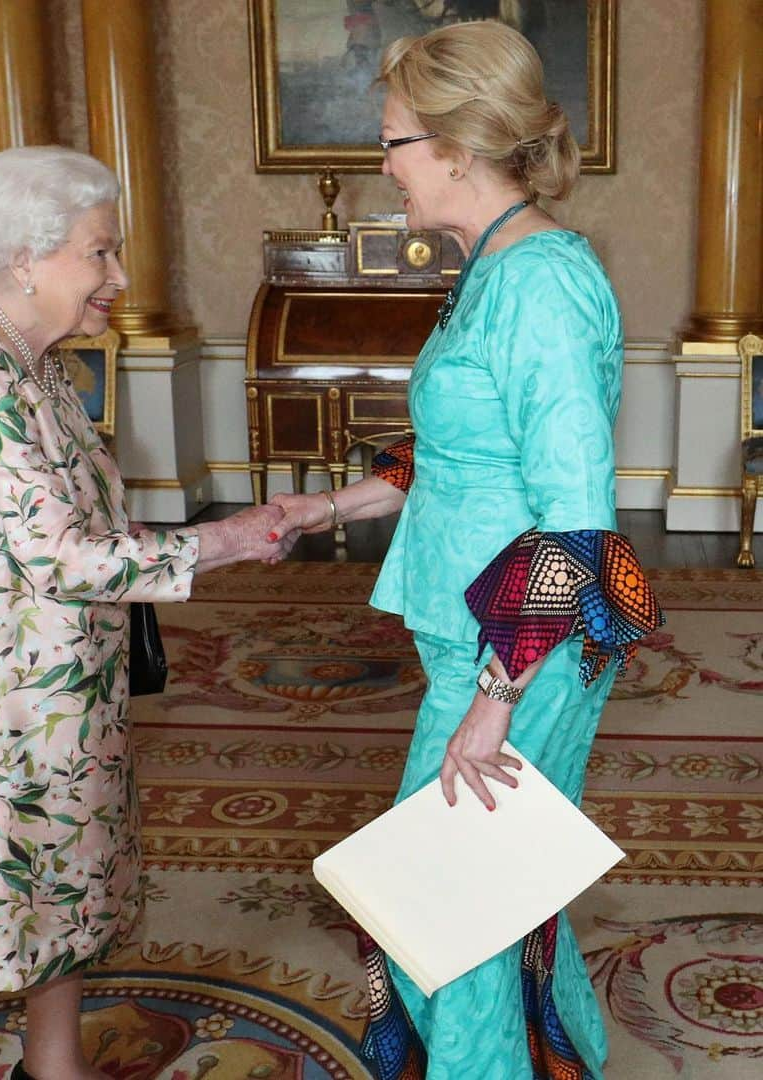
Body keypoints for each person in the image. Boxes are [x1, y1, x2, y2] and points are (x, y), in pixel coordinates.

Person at [268, 21, 662, 1080]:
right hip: (486, 637)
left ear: (455, 144)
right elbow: (462, 441)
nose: (381, 167)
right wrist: (332, 506)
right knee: (484, 898)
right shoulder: (491, 264)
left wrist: (496, 700)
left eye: (392, 142)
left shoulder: (540, 282)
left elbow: (576, 523)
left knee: (449, 915)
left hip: (522, 648)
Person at [0, 146, 294, 1080]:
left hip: (50, 678)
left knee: (64, 884)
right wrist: (229, 538)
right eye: (99, 254)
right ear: (26, 255)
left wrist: (149, 532)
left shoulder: (28, 351)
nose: (119, 276)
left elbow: (68, 511)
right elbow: (61, 554)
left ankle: (51, 1065)